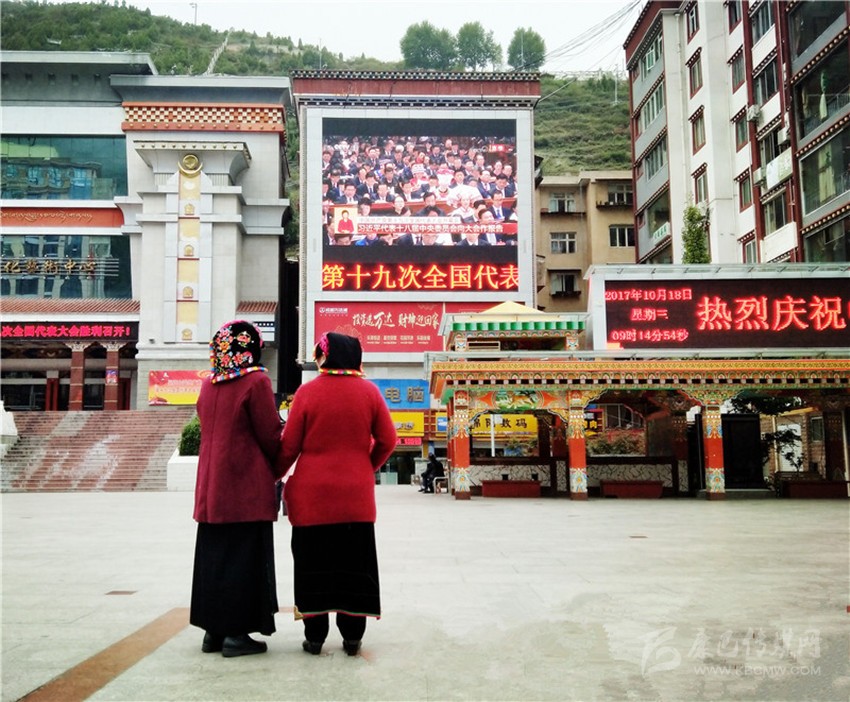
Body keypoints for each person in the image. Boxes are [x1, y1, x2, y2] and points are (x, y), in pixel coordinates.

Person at [278, 332, 397, 657]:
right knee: (354, 566)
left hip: (311, 499)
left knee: (312, 566)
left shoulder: (307, 393)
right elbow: (389, 440)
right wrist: (365, 466)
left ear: (325, 357)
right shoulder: (370, 392)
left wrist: (273, 475)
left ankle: (315, 637)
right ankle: (353, 638)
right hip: (356, 499)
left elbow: (289, 447)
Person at [190, 320, 282, 658]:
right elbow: (270, 435)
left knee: (215, 558)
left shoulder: (208, 384)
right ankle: (236, 635)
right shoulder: (256, 381)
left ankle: (213, 632)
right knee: (244, 560)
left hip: (211, 488)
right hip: (245, 488)